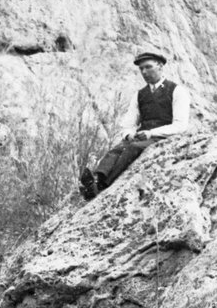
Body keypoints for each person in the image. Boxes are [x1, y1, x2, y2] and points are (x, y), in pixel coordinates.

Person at [79, 51, 192, 200]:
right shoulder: (140, 95)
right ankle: (96, 178)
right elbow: (129, 123)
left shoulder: (177, 91)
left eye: (148, 67)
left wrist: (152, 133)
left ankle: (102, 185)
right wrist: (129, 134)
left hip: (165, 137)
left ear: (160, 66)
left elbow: (180, 125)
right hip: (142, 136)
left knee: (133, 148)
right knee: (118, 148)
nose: (144, 72)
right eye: (141, 69)